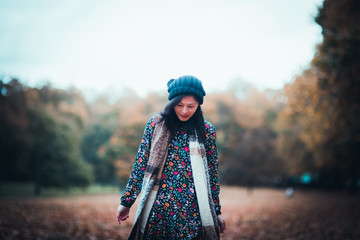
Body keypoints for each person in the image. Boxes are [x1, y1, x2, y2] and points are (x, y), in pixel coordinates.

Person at [116, 75, 226, 239]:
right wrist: (126, 202)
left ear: (199, 105)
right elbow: (141, 164)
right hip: (158, 210)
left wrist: (216, 211)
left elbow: (212, 174)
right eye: (179, 105)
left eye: (191, 106)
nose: (184, 111)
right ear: (172, 102)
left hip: (192, 213)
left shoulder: (207, 130)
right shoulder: (155, 125)